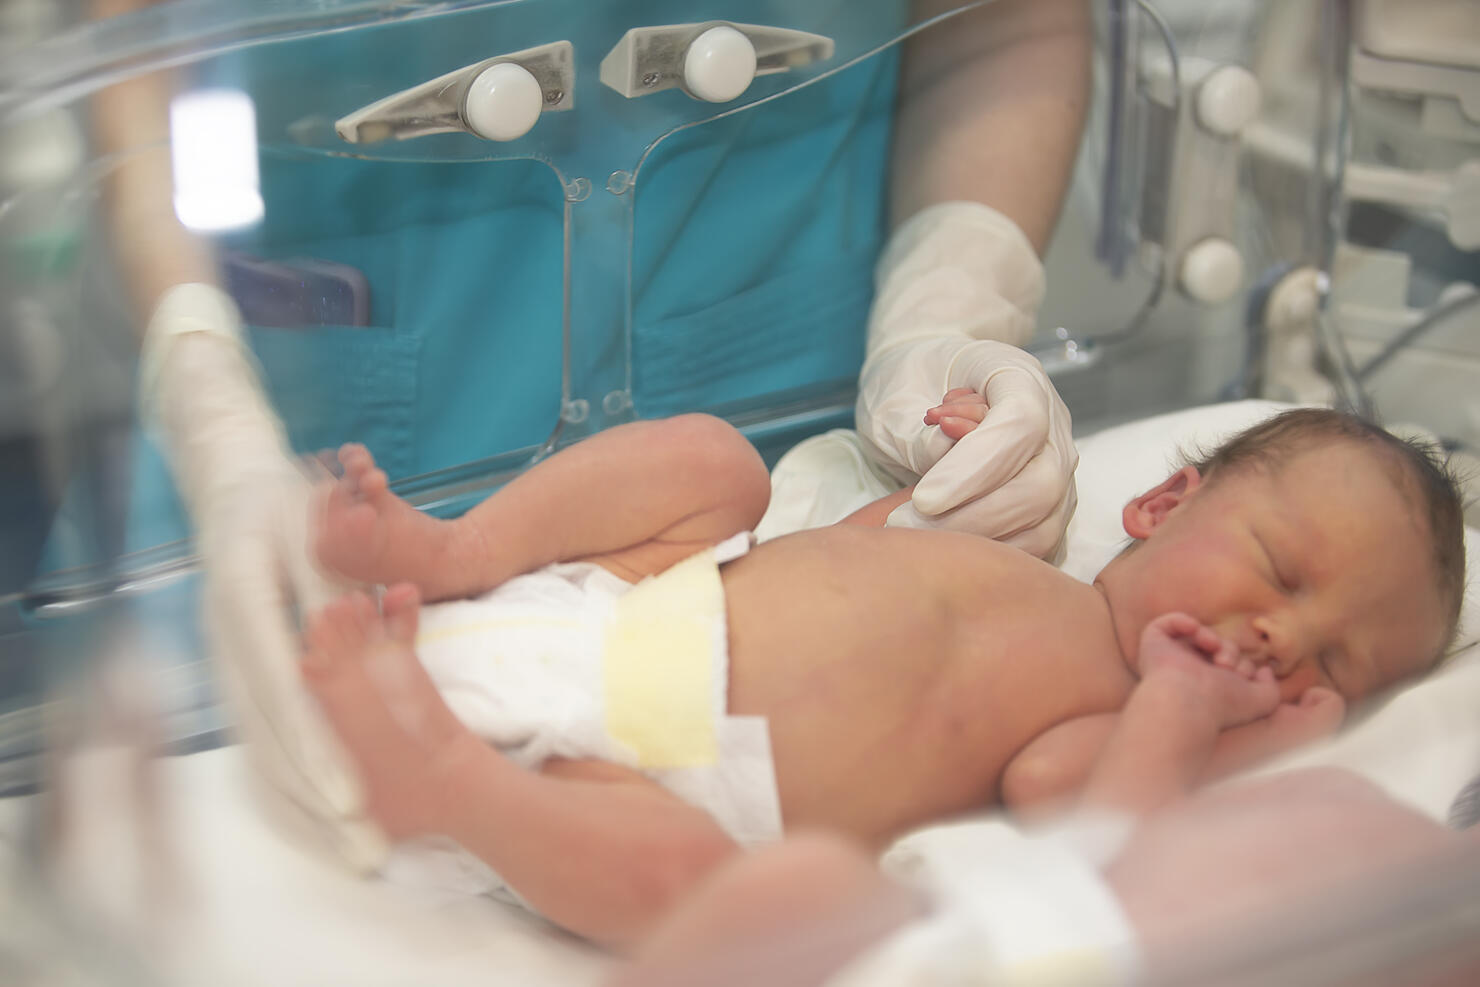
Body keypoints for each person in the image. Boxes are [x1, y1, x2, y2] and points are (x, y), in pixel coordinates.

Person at [297, 404, 1467, 945]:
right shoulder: (1018, 554)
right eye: (1279, 570)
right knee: (713, 463)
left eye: (1329, 668)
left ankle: (444, 784)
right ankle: (458, 550)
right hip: (617, 605)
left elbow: (1095, 834)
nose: (1280, 636)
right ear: (1162, 505)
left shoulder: (1102, 716)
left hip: (635, 772)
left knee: (692, 892)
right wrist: (940, 470)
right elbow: (837, 546)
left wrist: (1208, 718)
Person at [605, 765, 1480, 987]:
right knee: (812, 883)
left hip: (1021, 940)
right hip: (1001, 935)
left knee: (812, 881)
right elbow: (1126, 825)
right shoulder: (1350, 796)